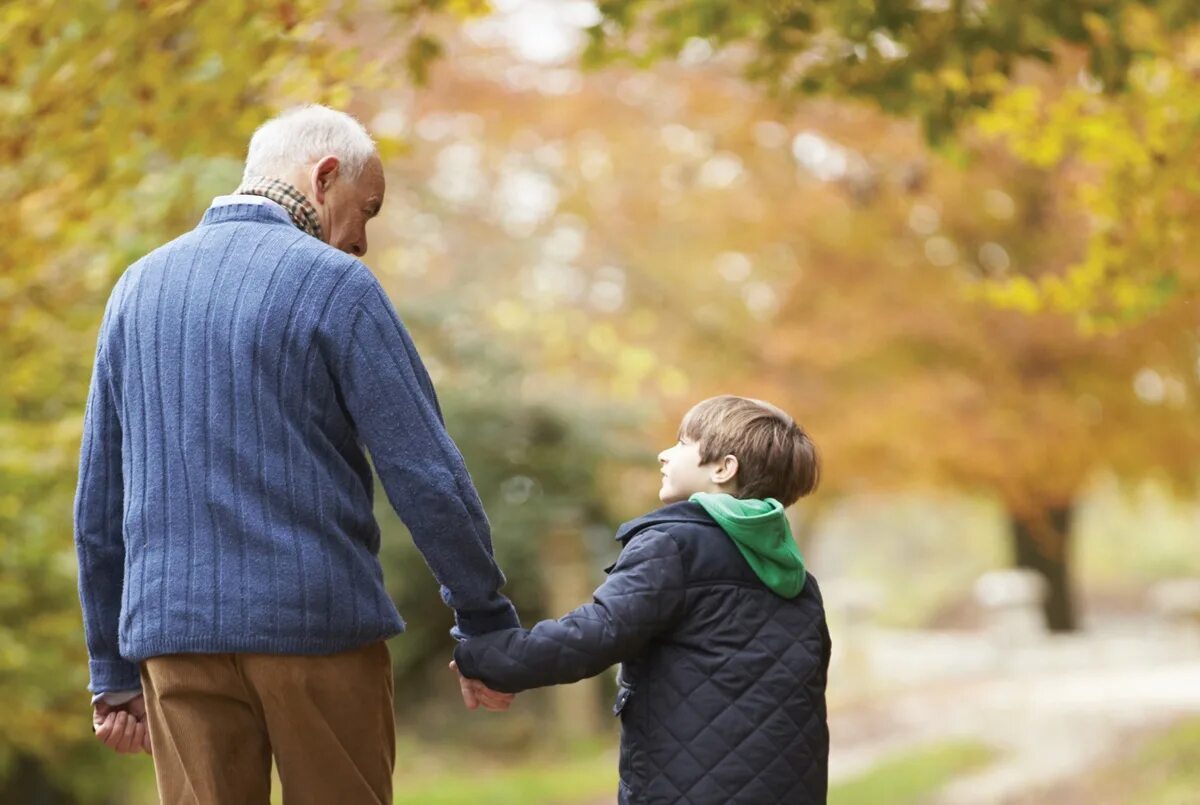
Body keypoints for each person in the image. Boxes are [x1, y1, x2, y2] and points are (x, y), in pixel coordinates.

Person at [74, 104, 518, 804]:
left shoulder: (136, 288)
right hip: (318, 633)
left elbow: (100, 499)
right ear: (325, 175)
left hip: (174, 642)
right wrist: (486, 618)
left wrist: (111, 669)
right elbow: (425, 472)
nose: (363, 241)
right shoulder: (337, 286)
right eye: (366, 209)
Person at [452, 395, 831, 804]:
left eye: (684, 444)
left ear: (724, 468)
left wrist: (484, 656)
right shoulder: (798, 580)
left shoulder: (674, 545)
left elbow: (595, 634)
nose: (664, 454)